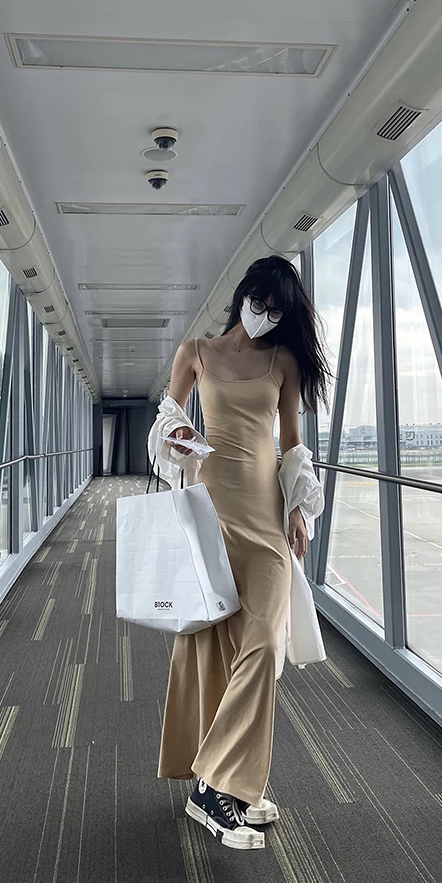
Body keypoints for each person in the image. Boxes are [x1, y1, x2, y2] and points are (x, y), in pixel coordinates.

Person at [156, 254, 332, 851]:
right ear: (244, 296)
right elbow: (165, 426)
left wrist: (298, 509)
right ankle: (230, 787)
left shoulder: (282, 361)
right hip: (211, 515)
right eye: (261, 304)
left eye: (278, 312)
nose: (266, 317)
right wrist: (178, 437)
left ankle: (215, 784)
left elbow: (292, 445)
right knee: (216, 650)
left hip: (266, 521)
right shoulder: (196, 352)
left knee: (262, 648)